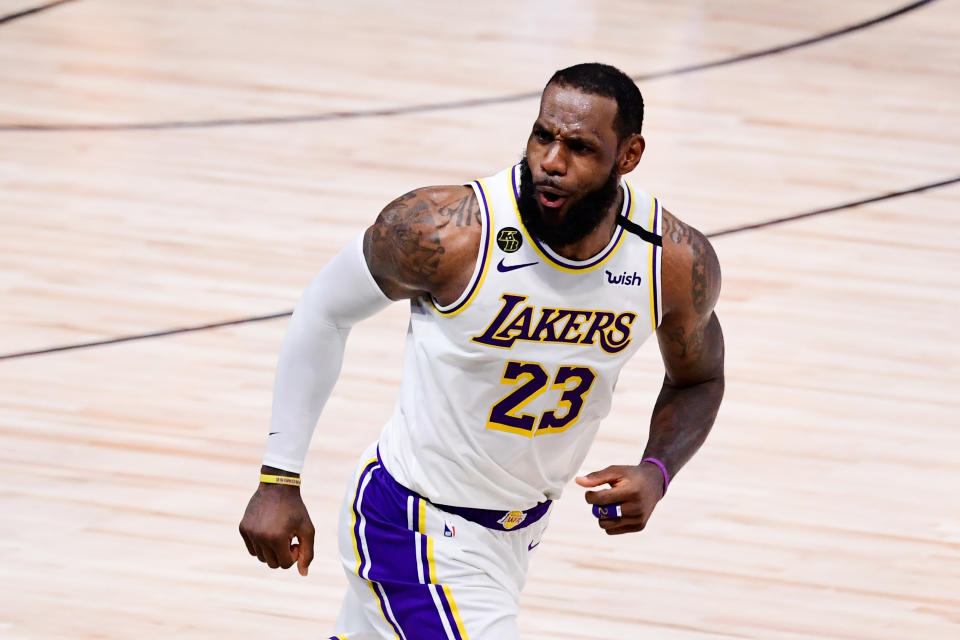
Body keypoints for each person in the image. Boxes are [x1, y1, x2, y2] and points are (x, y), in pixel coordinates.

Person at [239, 62, 725, 639]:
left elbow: (699, 378)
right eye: (543, 135)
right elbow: (323, 310)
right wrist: (279, 478)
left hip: (516, 534)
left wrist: (658, 469)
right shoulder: (446, 232)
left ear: (629, 155)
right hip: (413, 524)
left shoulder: (671, 261)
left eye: (580, 147)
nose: (551, 160)